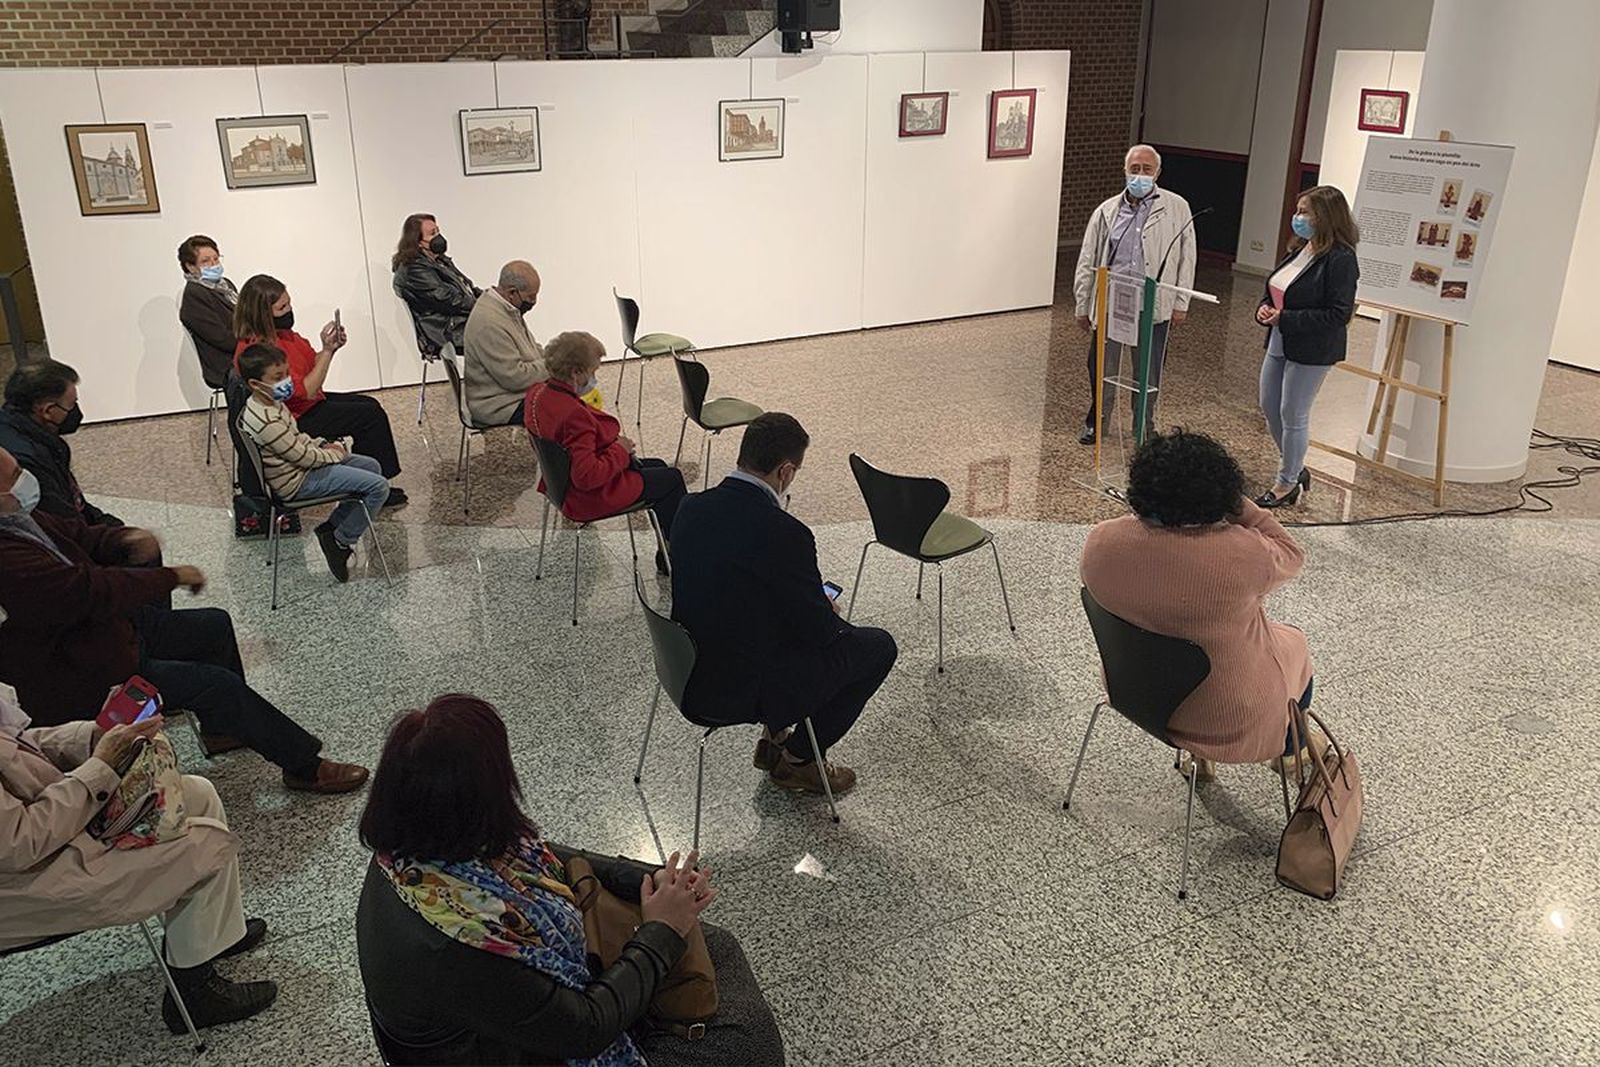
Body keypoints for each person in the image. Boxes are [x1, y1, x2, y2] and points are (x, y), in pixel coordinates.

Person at [355, 694, 784, 1067]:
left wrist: (640, 875)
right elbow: (585, 1028)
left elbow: (536, 850)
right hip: (521, 1049)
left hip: (510, 1019)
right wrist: (662, 931)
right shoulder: (455, 948)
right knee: (744, 1045)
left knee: (715, 944)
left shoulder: (410, 849)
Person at [0, 446, 369, 794]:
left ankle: (221, 729)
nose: (24, 478)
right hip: (79, 666)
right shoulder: (8, 558)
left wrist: (124, 539)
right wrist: (170, 575)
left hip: (105, 632)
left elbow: (79, 535)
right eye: (14, 475)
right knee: (217, 685)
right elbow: (87, 590)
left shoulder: (18, 518)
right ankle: (304, 767)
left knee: (213, 626)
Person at [0, 686, 278, 1033]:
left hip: (51, 843)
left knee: (195, 795)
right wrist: (99, 767)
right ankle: (195, 994)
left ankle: (213, 937)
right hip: (25, 887)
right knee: (202, 843)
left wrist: (95, 736)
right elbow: (18, 842)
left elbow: (21, 747)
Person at [669, 413, 897, 796]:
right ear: (786, 471)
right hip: (736, 685)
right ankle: (799, 761)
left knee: (773, 619)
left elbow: (728, 585)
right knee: (875, 647)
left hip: (687, 666)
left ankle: (775, 734)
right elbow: (819, 633)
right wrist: (825, 609)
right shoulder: (785, 533)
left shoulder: (690, 507)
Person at [1080, 430, 1320, 779]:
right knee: (1295, 642)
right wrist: (1240, 505)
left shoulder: (1100, 541)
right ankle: (1289, 752)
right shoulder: (1243, 554)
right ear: (1221, 495)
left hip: (1135, 693)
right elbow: (1293, 554)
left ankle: (1198, 759)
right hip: (1228, 719)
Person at [233, 274, 408, 507]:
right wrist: (326, 352)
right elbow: (305, 388)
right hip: (296, 415)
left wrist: (330, 348)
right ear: (263, 313)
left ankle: (374, 479)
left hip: (307, 403)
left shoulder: (285, 335)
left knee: (369, 405)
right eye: (282, 307)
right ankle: (375, 485)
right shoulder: (258, 351)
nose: (289, 310)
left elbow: (309, 366)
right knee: (368, 417)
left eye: (289, 303)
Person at [526, 331, 682, 575]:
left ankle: (670, 550)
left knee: (659, 465)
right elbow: (586, 476)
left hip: (557, 485)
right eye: (593, 371)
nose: (594, 378)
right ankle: (676, 555)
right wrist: (620, 449)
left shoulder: (537, 395)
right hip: (586, 496)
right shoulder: (573, 415)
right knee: (672, 479)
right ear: (576, 372)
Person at [1073, 144, 1197, 445]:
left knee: (1149, 369)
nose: (1140, 175)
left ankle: (1144, 426)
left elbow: (1187, 256)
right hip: (1113, 301)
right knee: (1101, 366)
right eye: (1134, 169)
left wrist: (1182, 302)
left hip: (1152, 301)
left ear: (1158, 173)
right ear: (1125, 170)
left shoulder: (1177, 206)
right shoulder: (1106, 210)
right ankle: (1097, 422)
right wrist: (1083, 303)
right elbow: (1088, 259)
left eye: (1146, 169)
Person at [237, 343, 391, 583]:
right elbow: (301, 457)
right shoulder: (266, 421)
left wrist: (320, 444)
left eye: (287, 373)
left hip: (302, 466)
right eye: (278, 377)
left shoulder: (270, 403)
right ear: (255, 384)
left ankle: (332, 529)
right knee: (379, 486)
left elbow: (298, 439)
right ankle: (342, 540)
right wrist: (336, 453)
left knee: (372, 467)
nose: (287, 380)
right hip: (297, 481)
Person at [1255, 185, 1361, 507]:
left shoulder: (1341, 259)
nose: (1298, 218)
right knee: (1269, 406)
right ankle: (1297, 468)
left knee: (1293, 413)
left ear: (1325, 217)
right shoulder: (1302, 248)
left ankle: (1286, 483)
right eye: (1298, 210)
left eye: (1306, 212)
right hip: (1280, 339)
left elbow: (1338, 314)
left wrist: (1285, 318)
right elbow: (1277, 286)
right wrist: (1264, 308)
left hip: (1313, 347)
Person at [0, 359, 126, 529]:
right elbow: (62, 522)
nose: (76, 410)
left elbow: (72, 501)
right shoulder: (27, 458)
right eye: (72, 404)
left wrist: (105, 522)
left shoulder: (38, 437)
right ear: (48, 411)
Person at [463, 259, 545, 427]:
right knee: (567, 412)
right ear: (512, 293)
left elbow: (531, 348)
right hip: (500, 406)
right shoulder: (489, 322)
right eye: (531, 297)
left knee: (569, 401)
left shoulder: (507, 309)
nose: (534, 302)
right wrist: (553, 366)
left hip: (511, 396)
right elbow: (515, 378)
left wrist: (557, 357)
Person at [391, 213, 481, 358]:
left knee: (506, 321)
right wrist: (484, 307)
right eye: (433, 234)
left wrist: (490, 298)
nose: (439, 237)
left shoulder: (439, 260)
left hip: (458, 321)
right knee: (499, 332)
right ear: (418, 242)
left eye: (438, 231)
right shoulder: (414, 269)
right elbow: (447, 299)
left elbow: (466, 287)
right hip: (445, 330)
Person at [177, 234, 240, 390]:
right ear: (191, 266)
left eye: (216, 259)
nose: (214, 264)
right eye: (206, 261)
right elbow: (223, 339)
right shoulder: (195, 294)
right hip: (225, 363)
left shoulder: (226, 285)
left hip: (243, 349)